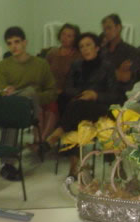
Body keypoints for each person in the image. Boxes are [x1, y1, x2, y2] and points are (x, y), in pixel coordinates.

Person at [39, 33, 123, 177]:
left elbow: (115, 95)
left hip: (101, 109)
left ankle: (56, 137)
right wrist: (83, 94)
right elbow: (68, 88)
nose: (85, 49)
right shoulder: (76, 65)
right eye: (82, 46)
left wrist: (95, 95)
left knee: (76, 109)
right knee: (77, 113)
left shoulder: (107, 66)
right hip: (79, 108)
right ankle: (75, 166)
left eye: (88, 45)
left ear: (97, 48)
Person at [0, 26, 57, 180]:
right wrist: (8, 92)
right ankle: (7, 165)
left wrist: (33, 96)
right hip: (12, 106)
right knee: (13, 110)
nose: (13, 46)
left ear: (25, 42)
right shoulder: (3, 65)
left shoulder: (41, 64)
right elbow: (0, 92)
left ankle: (6, 164)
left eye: (17, 42)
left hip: (34, 108)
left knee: (29, 91)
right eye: (9, 43)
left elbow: (52, 92)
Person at [42, 23, 82, 142]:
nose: (65, 38)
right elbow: (44, 73)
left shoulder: (78, 56)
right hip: (49, 89)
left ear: (75, 39)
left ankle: (45, 140)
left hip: (66, 92)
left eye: (69, 36)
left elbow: (77, 80)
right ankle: (39, 138)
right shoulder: (52, 53)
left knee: (53, 103)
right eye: (63, 34)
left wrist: (62, 90)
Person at [100, 13, 140, 96]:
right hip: (101, 91)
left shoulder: (131, 51)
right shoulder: (101, 51)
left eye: (109, 28)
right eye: (104, 29)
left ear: (118, 27)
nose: (106, 32)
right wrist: (118, 71)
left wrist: (107, 73)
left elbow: (125, 77)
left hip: (121, 93)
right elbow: (96, 76)